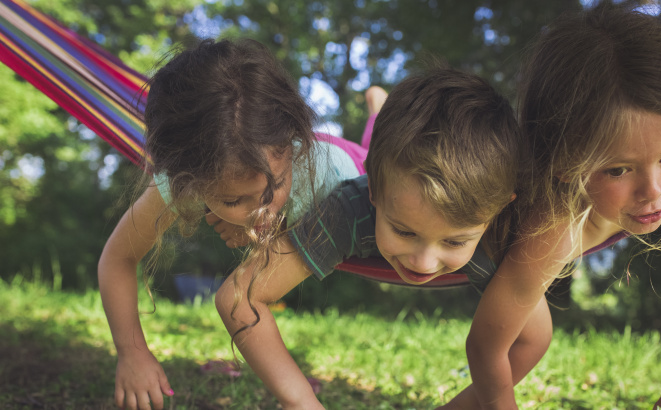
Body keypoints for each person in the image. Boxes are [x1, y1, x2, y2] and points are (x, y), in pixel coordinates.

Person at [214, 66, 539, 409]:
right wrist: (302, 403)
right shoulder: (348, 208)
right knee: (367, 153)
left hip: (381, 171)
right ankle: (377, 110)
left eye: (455, 242)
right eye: (403, 230)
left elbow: (532, 340)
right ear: (373, 195)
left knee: (377, 151)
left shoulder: (497, 234)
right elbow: (238, 297)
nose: (424, 262)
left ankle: (378, 111)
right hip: (353, 163)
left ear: (498, 212)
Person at [97, 37, 386, 410]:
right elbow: (117, 259)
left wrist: (254, 225)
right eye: (233, 200)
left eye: (275, 186)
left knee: (382, 151)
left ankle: (380, 109)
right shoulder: (183, 175)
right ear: (189, 181)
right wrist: (131, 353)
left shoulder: (335, 181)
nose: (261, 209)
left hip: (354, 164)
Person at [454, 5, 661, 409]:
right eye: (618, 170)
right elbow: (486, 347)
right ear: (565, 165)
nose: (652, 192)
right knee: (531, 343)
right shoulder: (554, 227)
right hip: (473, 231)